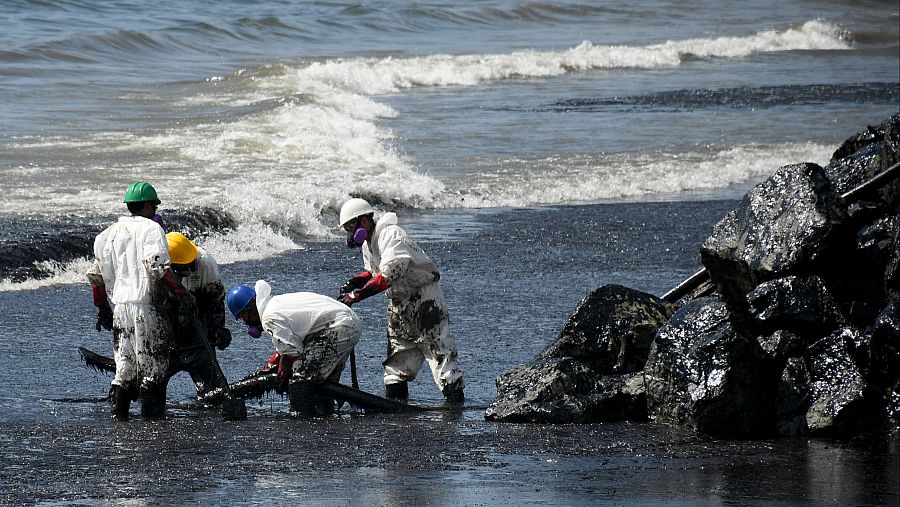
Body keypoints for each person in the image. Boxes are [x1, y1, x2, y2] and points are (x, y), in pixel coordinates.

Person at [337, 198, 464, 402]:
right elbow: (373, 272)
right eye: (347, 229)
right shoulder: (368, 244)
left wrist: (358, 295)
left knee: (440, 354)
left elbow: (390, 273)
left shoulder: (391, 234)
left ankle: (454, 407)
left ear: (365, 219)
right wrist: (355, 282)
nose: (351, 233)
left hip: (424, 300)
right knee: (397, 363)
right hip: (400, 304)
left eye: (352, 226)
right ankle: (397, 409)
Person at [86, 182, 195, 420]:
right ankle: (151, 424)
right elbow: (156, 267)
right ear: (147, 205)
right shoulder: (151, 229)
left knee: (124, 367)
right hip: (147, 307)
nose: (154, 210)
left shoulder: (106, 234)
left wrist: (102, 308)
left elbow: (96, 277)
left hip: (120, 309)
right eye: (154, 206)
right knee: (153, 368)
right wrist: (181, 293)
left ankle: (120, 419)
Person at [226, 280, 362, 416]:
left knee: (301, 376)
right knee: (323, 380)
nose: (246, 323)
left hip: (338, 327)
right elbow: (289, 343)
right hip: (346, 323)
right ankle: (325, 415)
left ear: (247, 312)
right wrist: (272, 365)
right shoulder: (276, 303)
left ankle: (303, 418)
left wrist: (283, 371)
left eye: (243, 318)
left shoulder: (268, 317)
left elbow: (291, 350)